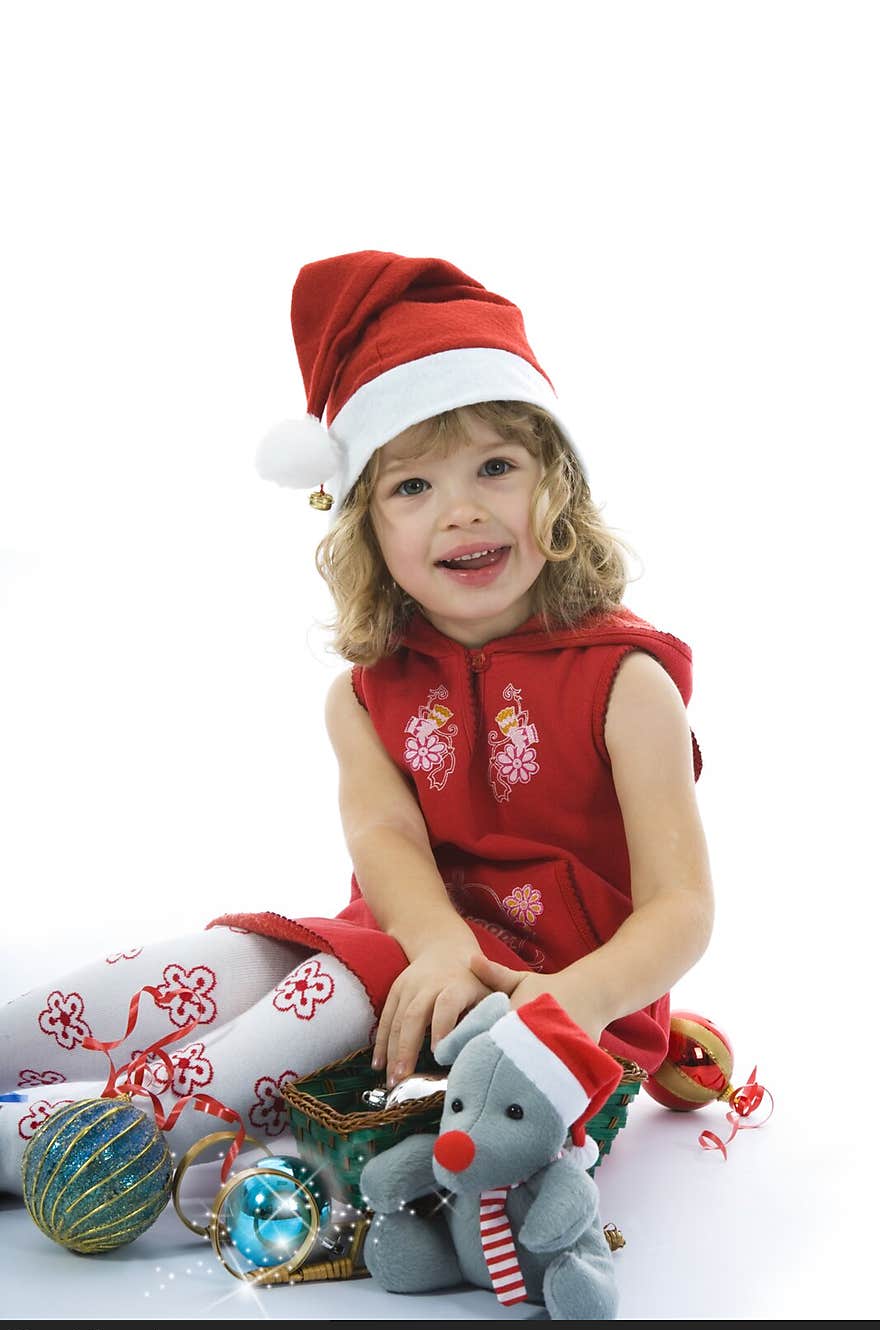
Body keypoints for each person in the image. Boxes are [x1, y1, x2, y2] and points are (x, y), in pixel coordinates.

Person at [0, 251, 713, 1211]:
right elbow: (385, 838)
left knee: (283, 1034)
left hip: (544, 1008)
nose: (460, 507)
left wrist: (568, 1002)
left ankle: (61, 1149)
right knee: (200, 969)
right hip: (395, 946)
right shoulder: (366, 694)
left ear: (560, 496)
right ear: (368, 530)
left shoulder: (626, 683)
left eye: (496, 467)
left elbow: (681, 910)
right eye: (410, 487)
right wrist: (433, 946)